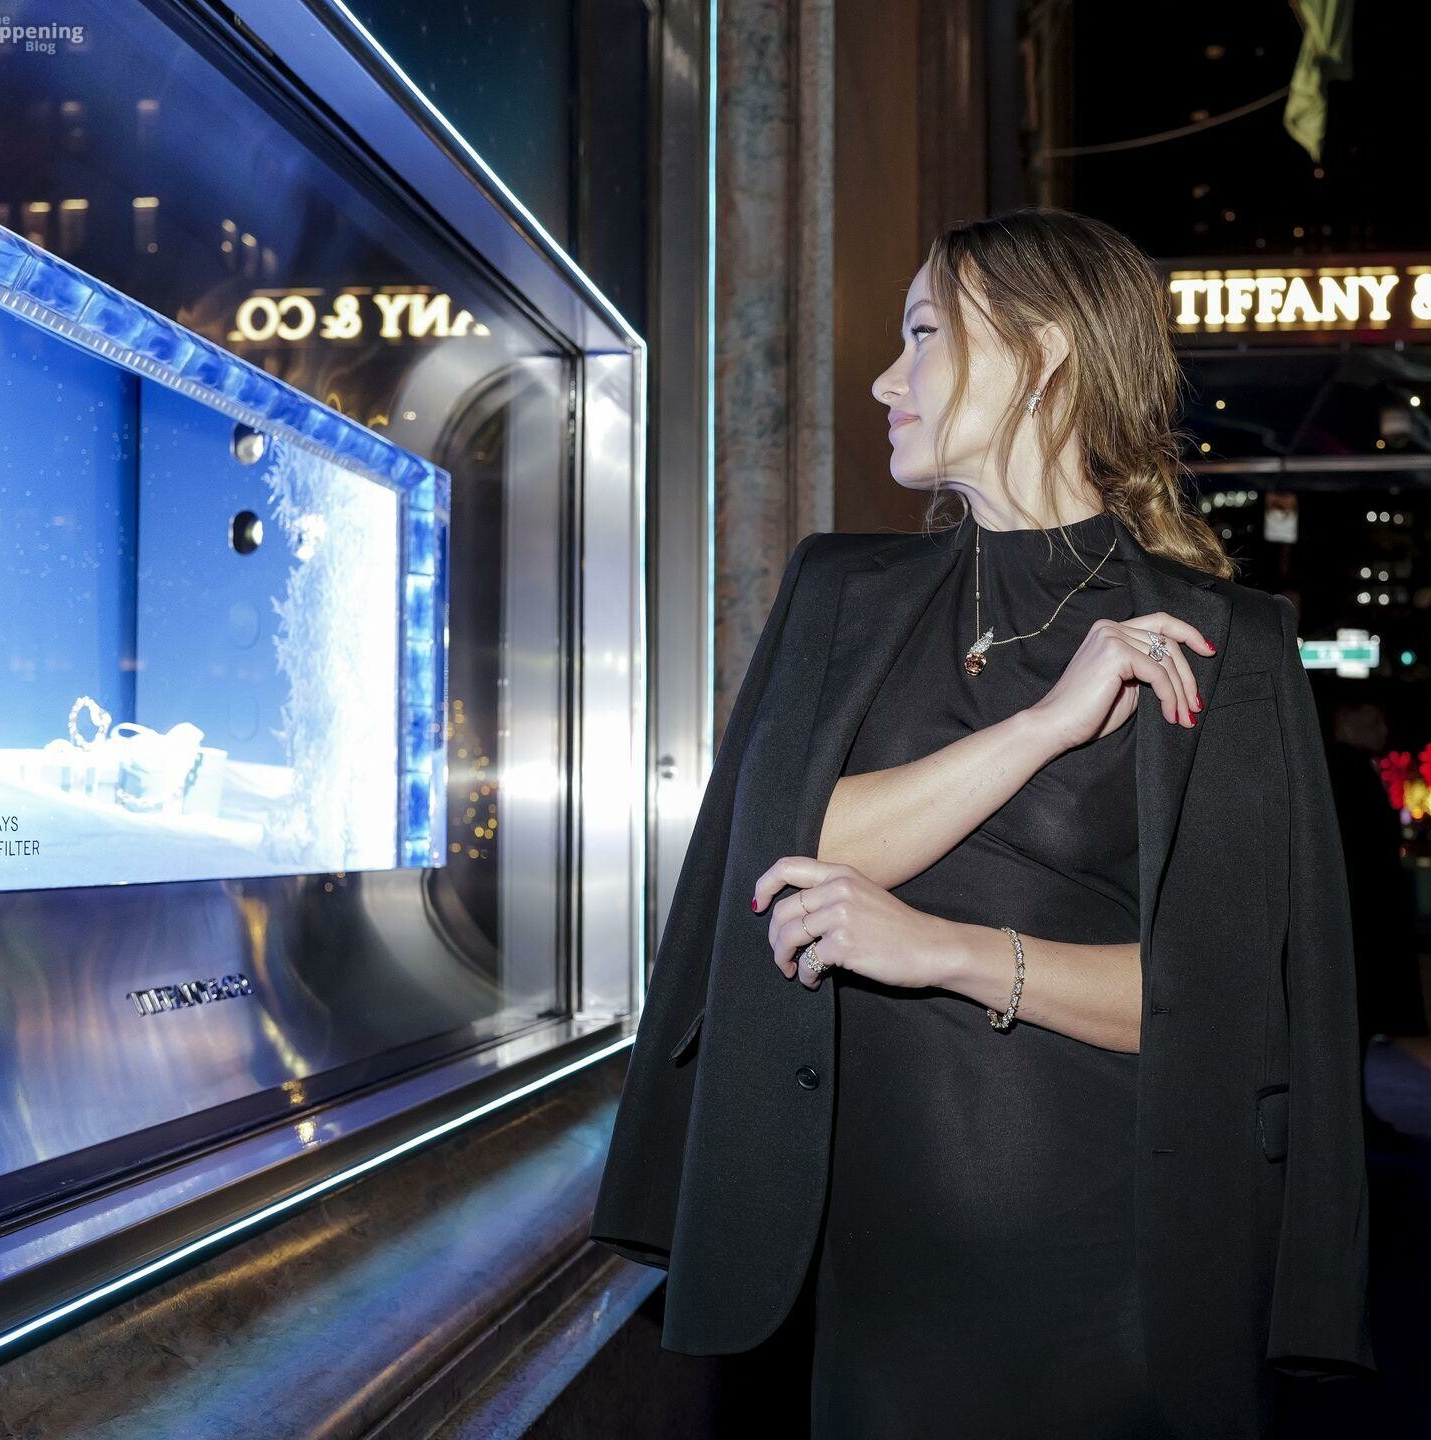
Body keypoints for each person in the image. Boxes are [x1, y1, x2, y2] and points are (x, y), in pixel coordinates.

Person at [588, 207, 1373, 1439]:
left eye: (922, 335)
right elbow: (781, 855)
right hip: (862, 1252)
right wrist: (1043, 727)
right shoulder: (842, 593)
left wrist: (946, 952)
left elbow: (1228, 1007)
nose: (883, 378)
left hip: (1110, 1261)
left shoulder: (1221, 643)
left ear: (1042, 353)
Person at [1324, 696, 1427, 1144]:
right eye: (1374, 719)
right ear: (1348, 723)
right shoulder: (1348, 772)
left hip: (1359, 918)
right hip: (1361, 921)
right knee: (1355, 1020)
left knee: (1356, 1024)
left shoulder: (1346, 769)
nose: (1384, 728)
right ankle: (1350, 1118)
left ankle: (1351, 1114)